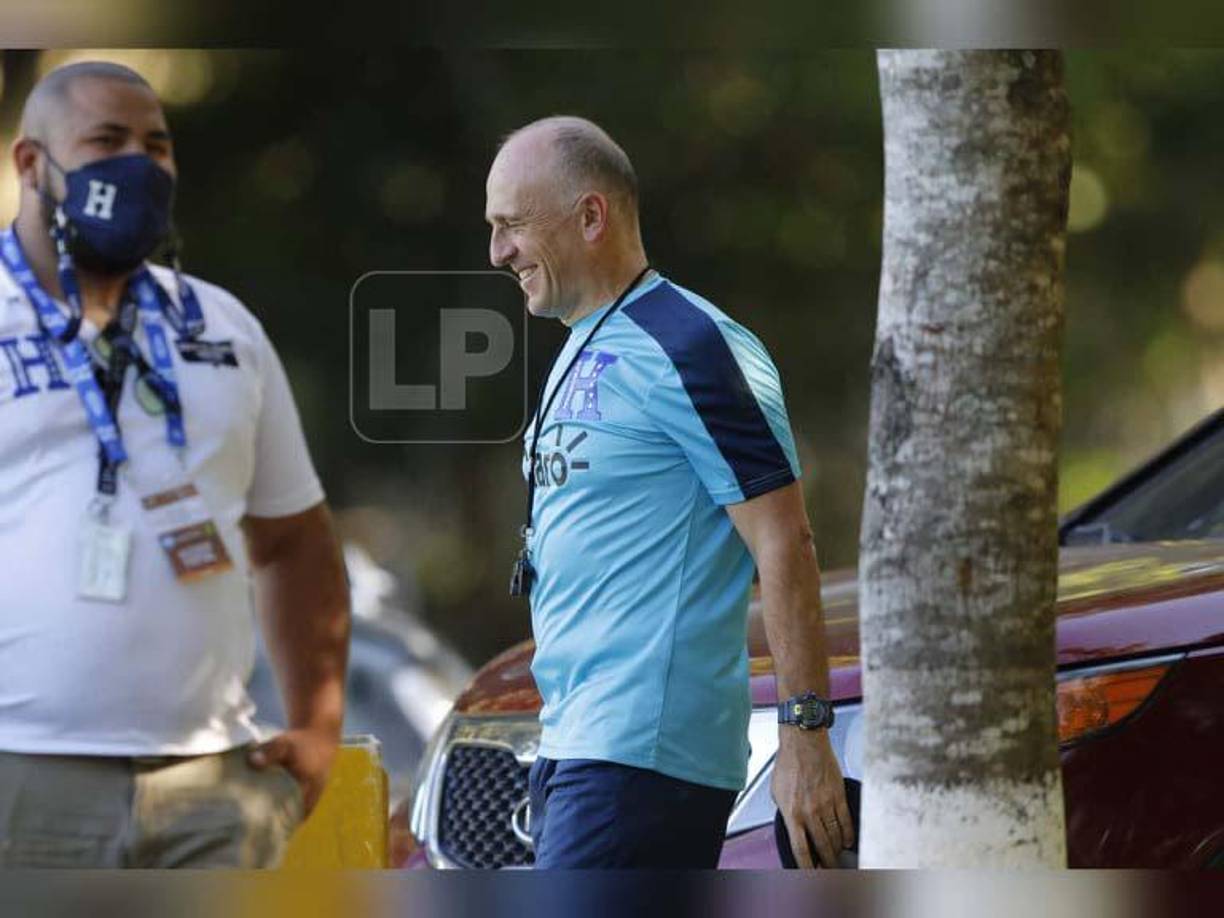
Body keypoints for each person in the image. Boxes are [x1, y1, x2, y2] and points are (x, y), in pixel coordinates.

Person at [0, 61, 350, 868]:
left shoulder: (224, 328)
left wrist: (317, 728)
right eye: (107, 141)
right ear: (31, 163)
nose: (141, 164)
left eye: (156, 145)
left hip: (212, 791)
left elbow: (294, 539)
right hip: (22, 779)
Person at [486, 116, 852, 869]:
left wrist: (806, 734)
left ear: (591, 216)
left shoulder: (691, 344)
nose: (498, 252)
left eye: (512, 225)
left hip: (641, 755)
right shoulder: (584, 341)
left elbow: (784, 538)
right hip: (575, 744)